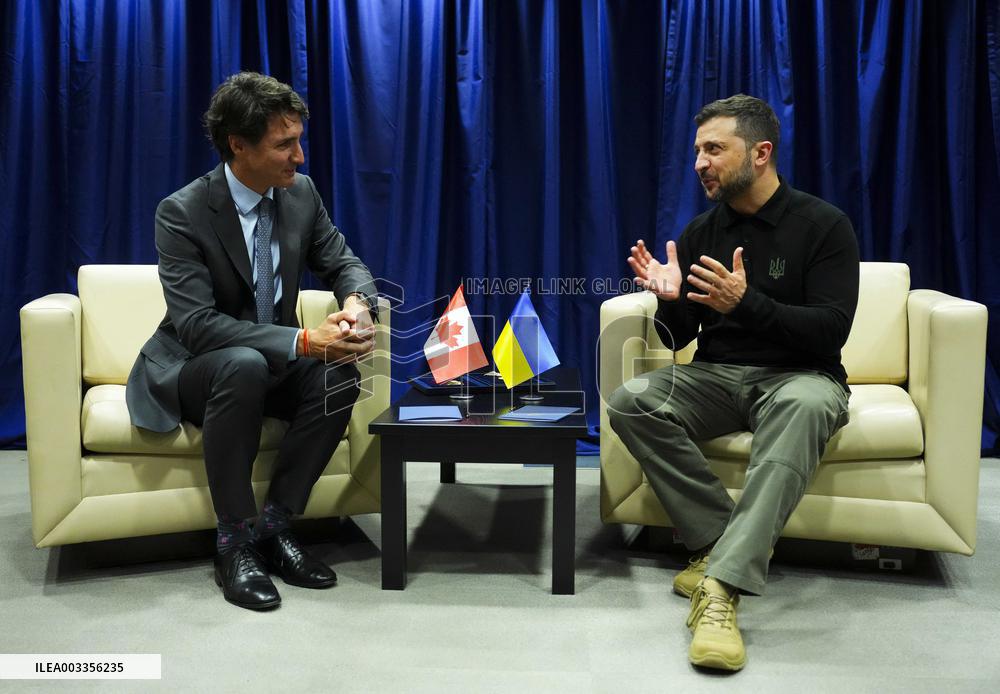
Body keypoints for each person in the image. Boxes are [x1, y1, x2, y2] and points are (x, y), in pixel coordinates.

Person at [607, 94, 859, 671]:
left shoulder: (824, 226)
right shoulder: (702, 230)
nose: (700, 163)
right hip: (717, 376)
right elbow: (679, 337)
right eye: (697, 151)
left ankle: (721, 586)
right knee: (632, 401)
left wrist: (746, 302)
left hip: (801, 375)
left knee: (804, 406)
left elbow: (829, 332)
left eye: (714, 149)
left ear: (761, 153)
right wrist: (667, 302)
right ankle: (721, 541)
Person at [126, 72, 378, 611]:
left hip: (268, 364)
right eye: (284, 144)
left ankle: (275, 526)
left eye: (298, 140)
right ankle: (233, 543)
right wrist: (306, 340)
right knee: (242, 363)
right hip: (196, 366)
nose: (300, 157)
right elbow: (196, 325)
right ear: (238, 145)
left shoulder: (300, 195)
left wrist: (356, 305)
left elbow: (344, 262)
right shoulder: (182, 212)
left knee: (338, 377)